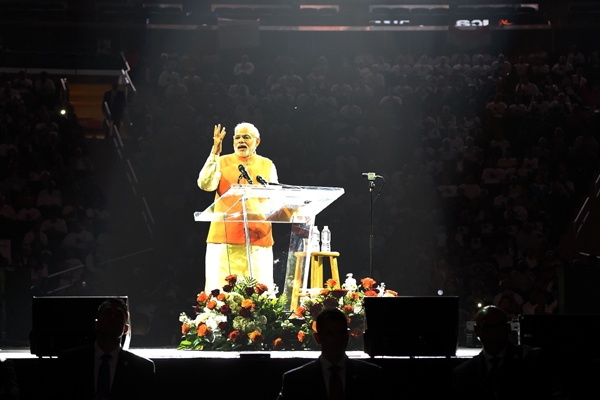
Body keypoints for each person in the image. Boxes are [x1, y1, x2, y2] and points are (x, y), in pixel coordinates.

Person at [197, 122, 278, 291]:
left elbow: (275, 199)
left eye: (246, 137)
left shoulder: (267, 165)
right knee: (222, 295)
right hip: (224, 238)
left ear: (257, 141)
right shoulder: (221, 161)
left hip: (258, 238)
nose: (241, 141)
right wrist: (214, 153)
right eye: (237, 137)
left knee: (257, 295)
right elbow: (205, 184)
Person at [55, 299, 155, 400]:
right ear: (96, 324)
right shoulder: (69, 361)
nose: (112, 317)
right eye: (107, 313)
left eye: (118, 315)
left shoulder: (142, 369)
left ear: (126, 329)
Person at [452, 305, 558, 400]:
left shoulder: (533, 360)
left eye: (499, 326)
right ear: (476, 330)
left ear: (508, 329)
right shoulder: (464, 373)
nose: (494, 332)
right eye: (488, 327)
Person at [277, 308, 382, 400]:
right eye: (330, 334)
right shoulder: (295, 381)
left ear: (347, 336)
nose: (336, 339)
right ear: (317, 338)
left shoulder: (371, 376)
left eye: (340, 333)